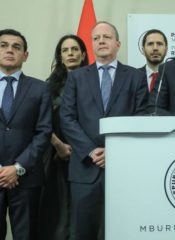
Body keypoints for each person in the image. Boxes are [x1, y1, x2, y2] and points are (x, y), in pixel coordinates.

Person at [60, 21, 148, 240]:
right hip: (85, 168)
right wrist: (91, 151)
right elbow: (67, 118)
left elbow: (141, 117)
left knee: (122, 231)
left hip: (123, 169)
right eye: (96, 38)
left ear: (117, 43)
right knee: (83, 231)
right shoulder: (77, 77)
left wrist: (115, 151)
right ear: (91, 45)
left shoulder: (135, 76)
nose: (101, 41)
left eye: (106, 37)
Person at [0, 29, 52, 239]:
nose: (10, 50)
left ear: (25, 55)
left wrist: (17, 168)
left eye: (16, 47)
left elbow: (44, 132)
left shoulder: (40, 88)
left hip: (27, 178)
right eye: (3, 45)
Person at [39, 34, 88, 240]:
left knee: (84, 208)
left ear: (83, 54)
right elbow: (41, 122)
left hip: (87, 155)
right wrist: (59, 145)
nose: (71, 53)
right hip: (55, 156)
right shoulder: (48, 87)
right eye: (66, 50)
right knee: (59, 210)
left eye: (75, 49)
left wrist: (82, 148)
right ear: (60, 56)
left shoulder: (93, 82)